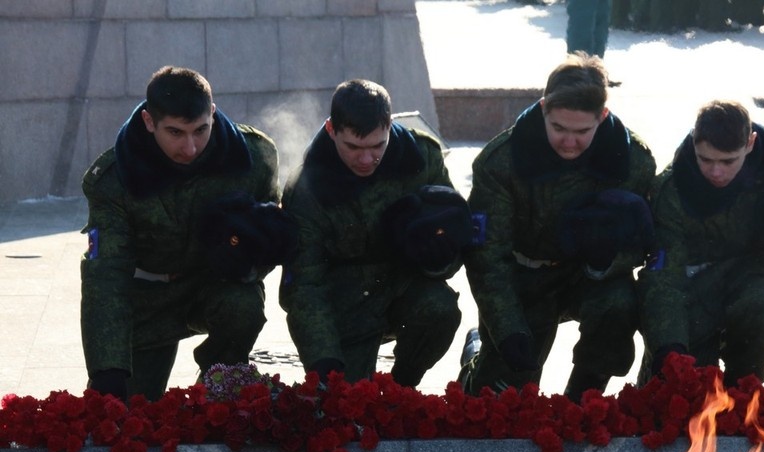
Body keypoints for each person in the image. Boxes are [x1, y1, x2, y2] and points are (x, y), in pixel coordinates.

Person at [461, 52, 657, 402]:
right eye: (559, 128)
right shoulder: (501, 162)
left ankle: (581, 401)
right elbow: (486, 257)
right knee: (501, 393)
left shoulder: (633, 161)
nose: (570, 142)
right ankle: (476, 354)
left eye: (583, 131)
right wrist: (506, 330)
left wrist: (607, 260)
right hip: (524, 277)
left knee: (618, 306)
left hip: (588, 276)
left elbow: (643, 240)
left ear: (603, 116)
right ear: (543, 110)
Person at [81, 66, 282, 401]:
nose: (190, 148)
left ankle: (218, 384)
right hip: (145, 297)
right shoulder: (114, 180)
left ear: (213, 115)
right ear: (149, 122)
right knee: (130, 415)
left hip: (212, 287)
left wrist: (247, 257)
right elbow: (106, 278)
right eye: (175, 133)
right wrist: (107, 370)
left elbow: (273, 239)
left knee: (243, 305)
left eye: (201, 130)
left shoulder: (253, 158)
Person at [637, 99, 764, 387]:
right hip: (692, 284)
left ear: (750, 143)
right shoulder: (672, 190)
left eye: (728, 160)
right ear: (694, 143)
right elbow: (664, 277)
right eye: (705, 160)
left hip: (750, 273)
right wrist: (668, 349)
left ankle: (745, 392)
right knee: (680, 383)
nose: (716, 172)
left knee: (762, 310)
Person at [280, 79, 469, 387]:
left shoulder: (422, 157)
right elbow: (304, 287)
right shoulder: (305, 189)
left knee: (441, 309)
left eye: (377, 146)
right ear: (331, 129)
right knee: (344, 402)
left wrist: (439, 257)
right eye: (353, 147)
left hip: (404, 286)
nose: (366, 160)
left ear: (390, 126)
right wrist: (323, 360)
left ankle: (403, 386)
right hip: (345, 302)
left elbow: (457, 230)